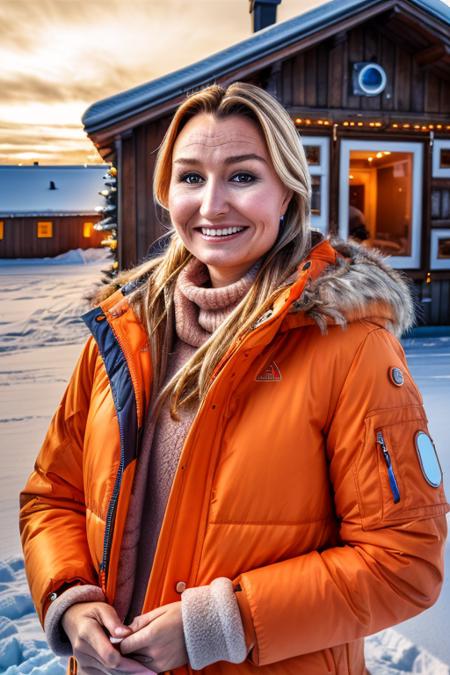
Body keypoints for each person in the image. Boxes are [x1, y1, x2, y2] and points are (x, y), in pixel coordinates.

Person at [20, 82, 448, 675]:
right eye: (190, 177)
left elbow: (404, 563)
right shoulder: (125, 333)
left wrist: (221, 625)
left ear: (287, 194)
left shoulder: (351, 348)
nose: (212, 204)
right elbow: (52, 495)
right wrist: (69, 599)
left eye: (243, 176)